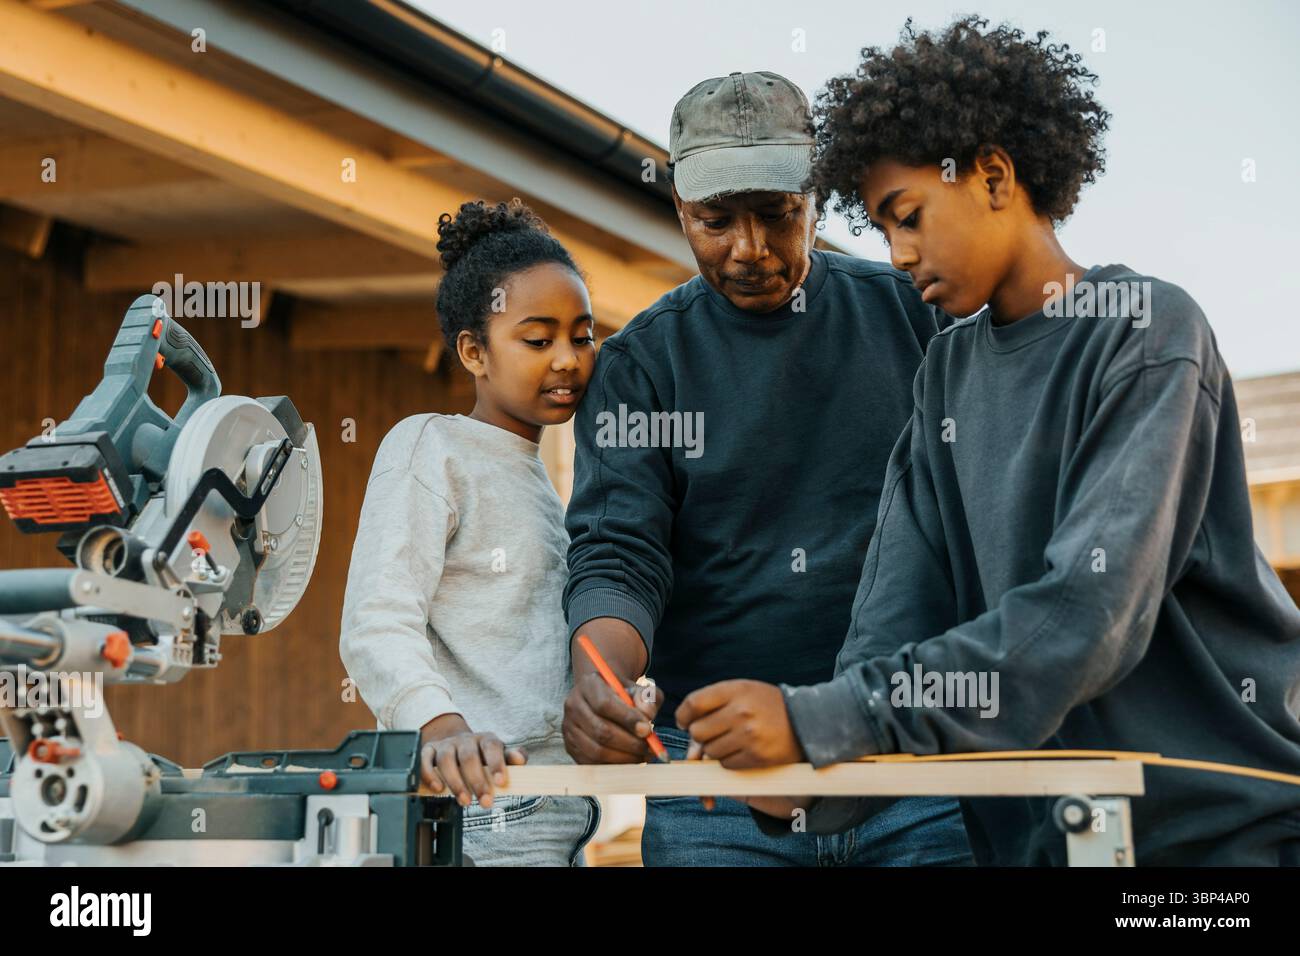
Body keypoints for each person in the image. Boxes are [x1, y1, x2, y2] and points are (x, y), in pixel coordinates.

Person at [676, 18, 1300, 865]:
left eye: (908, 216)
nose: (896, 254)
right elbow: (891, 620)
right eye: (880, 229)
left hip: (1212, 842)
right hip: (1041, 843)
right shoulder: (946, 372)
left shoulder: (1145, 332)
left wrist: (824, 721)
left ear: (995, 175)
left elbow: (1087, 615)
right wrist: (806, 768)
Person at [562, 71, 972, 865]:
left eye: (777, 216)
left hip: (916, 764)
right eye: (716, 221)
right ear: (680, 208)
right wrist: (598, 675)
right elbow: (621, 550)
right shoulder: (644, 364)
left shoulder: (916, 319)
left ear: (816, 197)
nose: (748, 249)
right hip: (719, 785)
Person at [340, 199, 602, 866]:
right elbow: (376, 622)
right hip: (474, 807)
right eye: (538, 340)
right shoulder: (434, 447)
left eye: (583, 335)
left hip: (563, 808)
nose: (568, 360)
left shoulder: (548, 481)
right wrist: (440, 725)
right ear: (473, 351)